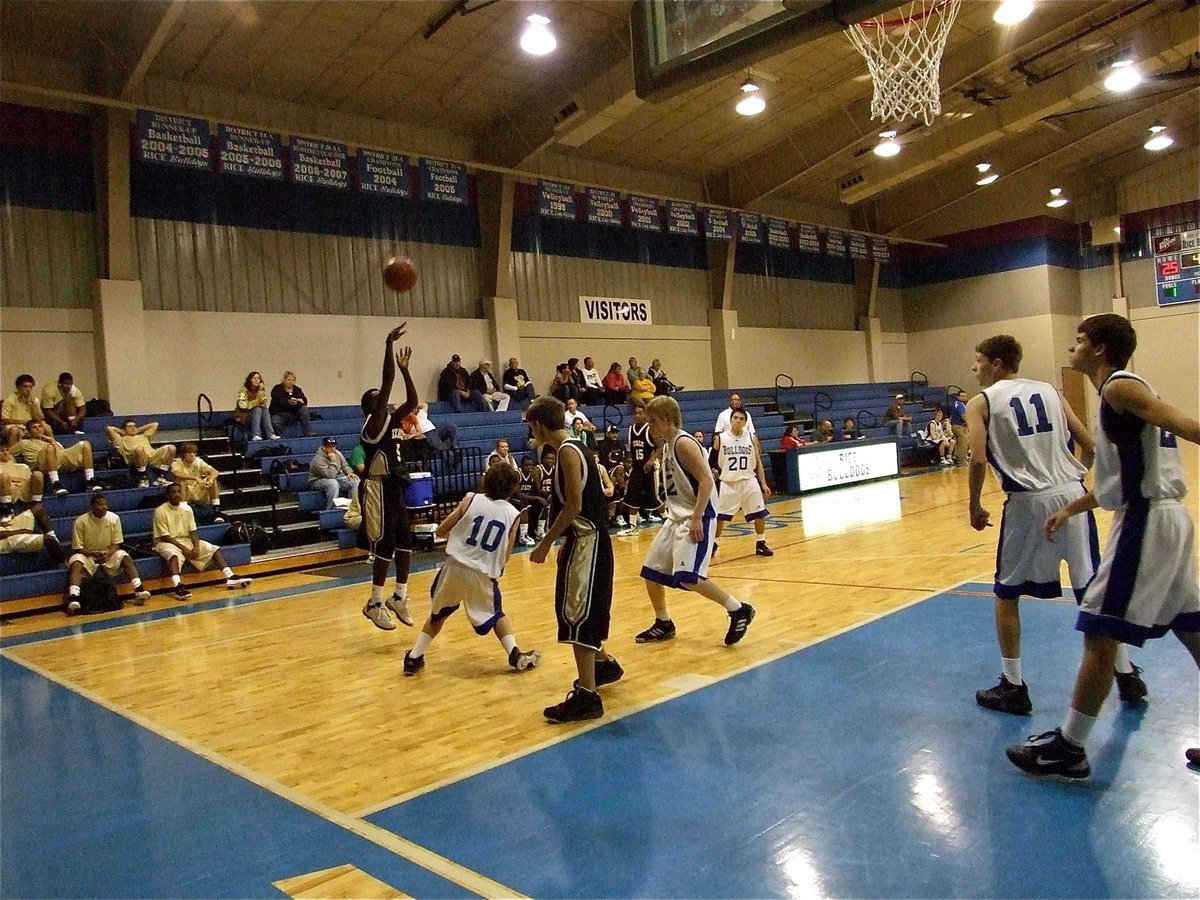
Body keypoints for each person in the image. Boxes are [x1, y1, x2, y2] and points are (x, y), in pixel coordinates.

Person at [1007, 314, 1200, 779]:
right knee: (1193, 628)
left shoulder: (1119, 387)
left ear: (1098, 348)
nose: (1071, 347)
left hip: (1146, 522)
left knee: (1101, 630)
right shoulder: (1123, 391)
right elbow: (1117, 479)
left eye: (1078, 340)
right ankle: (1070, 745)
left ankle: (1069, 747)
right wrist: (1071, 509)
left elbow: (1183, 424)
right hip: (1165, 517)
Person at [966, 333, 1144, 717]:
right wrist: (1075, 477)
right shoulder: (1049, 390)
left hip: (1027, 502)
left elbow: (978, 459)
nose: (974, 367)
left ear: (997, 364)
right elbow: (1090, 444)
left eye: (978, 359)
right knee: (1091, 590)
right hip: (1071, 493)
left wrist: (974, 504)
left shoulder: (980, 402)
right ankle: (1126, 673)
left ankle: (1012, 685)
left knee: (1007, 594)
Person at [526, 397, 622, 723]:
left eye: (530, 426)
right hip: (585, 541)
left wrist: (545, 543)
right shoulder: (576, 447)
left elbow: (575, 506)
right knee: (580, 610)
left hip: (588, 541)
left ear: (539, 424)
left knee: (577, 614)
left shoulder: (567, 450)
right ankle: (603, 665)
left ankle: (588, 697)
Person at [635, 396, 755, 646]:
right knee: (652, 571)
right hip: (676, 516)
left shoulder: (683, 443)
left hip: (697, 515)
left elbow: (707, 480)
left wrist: (698, 516)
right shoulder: (668, 443)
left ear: (668, 419)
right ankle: (663, 622)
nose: (650, 426)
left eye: (653, 421)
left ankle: (737, 609)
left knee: (690, 577)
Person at [403, 463, 540, 676]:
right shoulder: (514, 514)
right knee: (496, 614)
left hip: (454, 567)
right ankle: (514, 653)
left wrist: (463, 541)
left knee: (439, 614)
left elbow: (441, 530)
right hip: (482, 574)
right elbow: (505, 556)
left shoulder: (470, 500)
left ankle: (414, 657)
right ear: (512, 488)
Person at [359, 325, 420, 631]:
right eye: (379, 398)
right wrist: (387, 343)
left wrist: (406, 371)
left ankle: (400, 596)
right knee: (385, 545)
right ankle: (374, 602)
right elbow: (386, 382)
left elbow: (412, 402)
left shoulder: (394, 420)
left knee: (406, 543)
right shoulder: (374, 423)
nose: (385, 399)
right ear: (373, 407)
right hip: (377, 488)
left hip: (395, 485)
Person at [153, 483, 252, 601]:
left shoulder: (187, 509)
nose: (177, 494)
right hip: (165, 542)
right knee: (173, 555)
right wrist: (184, 549)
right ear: (168, 495)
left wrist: (196, 546)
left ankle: (230, 576)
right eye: (173, 492)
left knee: (213, 549)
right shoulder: (160, 511)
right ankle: (178, 586)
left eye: (179, 491)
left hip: (185, 540)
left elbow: (193, 531)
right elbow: (166, 536)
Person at [66, 492, 150, 613]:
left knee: (124, 556)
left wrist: (107, 554)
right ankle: (74, 598)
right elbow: (77, 548)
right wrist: (93, 554)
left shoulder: (114, 518)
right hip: (88, 556)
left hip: (108, 554)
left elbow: (117, 543)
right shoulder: (80, 521)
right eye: (100, 504)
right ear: (92, 506)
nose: (104, 507)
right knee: (76, 561)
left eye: (106, 504)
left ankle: (139, 590)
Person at [713, 409, 773, 558]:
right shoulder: (721, 438)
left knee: (760, 513)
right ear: (730, 419)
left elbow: (758, 461)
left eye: (741, 418)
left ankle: (761, 543)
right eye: (735, 418)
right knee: (720, 517)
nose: (738, 420)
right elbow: (712, 462)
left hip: (749, 480)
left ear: (745, 422)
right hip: (729, 482)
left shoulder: (752, 438)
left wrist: (763, 483)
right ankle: (713, 543)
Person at [13, 420, 100, 495]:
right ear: (29, 431)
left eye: (40, 426)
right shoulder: (24, 443)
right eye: (34, 427)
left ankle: (90, 481)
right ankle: (56, 484)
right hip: (41, 465)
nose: (38, 429)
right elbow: (8, 453)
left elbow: (61, 453)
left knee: (85, 444)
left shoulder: (51, 441)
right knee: (50, 448)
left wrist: (52, 441)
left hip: (59, 461)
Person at [619, 403, 661, 536]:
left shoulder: (650, 429)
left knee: (654, 499)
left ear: (645, 415)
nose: (637, 415)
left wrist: (651, 460)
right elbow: (631, 450)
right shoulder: (631, 430)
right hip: (637, 469)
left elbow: (660, 448)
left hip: (649, 469)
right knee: (632, 497)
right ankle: (632, 527)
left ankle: (667, 519)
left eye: (640, 413)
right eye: (635, 413)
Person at [106, 419, 176, 488]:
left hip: (151, 456)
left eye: (134, 426)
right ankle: (143, 478)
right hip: (135, 459)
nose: (133, 428)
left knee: (171, 448)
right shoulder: (120, 439)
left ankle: (161, 476)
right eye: (129, 426)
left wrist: (138, 430)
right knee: (139, 449)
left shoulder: (144, 436)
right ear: (124, 429)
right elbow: (109, 428)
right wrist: (123, 432)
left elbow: (155, 424)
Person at [170, 443, 224, 520]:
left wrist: (211, 480)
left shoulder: (199, 461)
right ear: (184, 454)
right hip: (186, 491)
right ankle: (183, 510)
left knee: (212, 479)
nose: (192, 455)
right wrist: (195, 478)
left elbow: (215, 471)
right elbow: (176, 473)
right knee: (182, 481)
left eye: (194, 453)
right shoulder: (177, 463)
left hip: (198, 490)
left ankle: (216, 510)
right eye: (189, 453)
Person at [0, 502, 65, 566]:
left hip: (7, 526)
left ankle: (53, 536)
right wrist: (22, 531)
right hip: (7, 540)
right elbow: (3, 534)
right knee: (48, 539)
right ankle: (63, 564)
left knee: (38, 508)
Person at [308, 437, 357, 510]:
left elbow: (345, 466)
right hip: (318, 480)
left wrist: (349, 472)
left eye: (333, 446)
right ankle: (331, 509)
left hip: (336, 477)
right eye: (329, 446)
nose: (332, 449)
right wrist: (333, 460)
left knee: (355, 480)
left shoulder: (338, 453)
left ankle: (352, 507)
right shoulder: (317, 460)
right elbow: (330, 475)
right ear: (323, 447)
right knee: (332, 483)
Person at [3, 374, 47, 446]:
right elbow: (5, 419)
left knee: (47, 427)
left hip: (30, 426)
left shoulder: (35, 400)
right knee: (14, 430)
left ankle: (55, 448)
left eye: (30, 387)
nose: (28, 390)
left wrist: (33, 405)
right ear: (18, 387)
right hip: (15, 425)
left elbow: (39, 419)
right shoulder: (10, 399)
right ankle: (13, 453)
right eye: (25, 386)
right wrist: (23, 422)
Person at [270, 371, 315, 437]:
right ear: (284, 380)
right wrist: (288, 402)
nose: (291, 382)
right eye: (288, 380)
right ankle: (282, 437)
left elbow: (304, 401)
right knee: (274, 421)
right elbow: (278, 401)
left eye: (292, 380)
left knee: (304, 409)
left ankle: (308, 432)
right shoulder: (277, 389)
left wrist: (297, 402)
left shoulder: (297, 390)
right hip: (280, 414)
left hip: (294, 414)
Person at [516, 455, 548, 545]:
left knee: (544, 504)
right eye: (527, 465)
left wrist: (536, 479)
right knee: (525, 505)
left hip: (528, 499)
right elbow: (517, 494)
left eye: (531, 465)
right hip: (516, 499)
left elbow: (538, 491)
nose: (529, 467)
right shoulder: (517, 474)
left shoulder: (533, 475)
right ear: (521, 466)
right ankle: (523, 536)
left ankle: (540, 532)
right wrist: (536, 498)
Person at [237, 371, 277, 441]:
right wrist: (256, 402)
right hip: (245, 416)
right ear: (250, 380)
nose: (256, 380)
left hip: (258, 415)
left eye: (258, 378)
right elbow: (243, 405)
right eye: (254, 378)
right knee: (257, 409)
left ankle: (270, 434)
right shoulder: (243, 390)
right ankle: (256, 434)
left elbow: (263, 403)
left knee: (265, 409)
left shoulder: (260, 390)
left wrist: (261, 391)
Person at [950, 388, 969, 464]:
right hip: (958, 425)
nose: (964, 398)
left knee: (959, 442)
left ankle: (956, 456)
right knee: (963, 443)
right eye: (962, 396)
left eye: (965, 396)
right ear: (958, 397)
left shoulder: (962, 404)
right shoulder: (959, 404)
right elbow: (963, 416)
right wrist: (968, 423)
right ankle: (962, 460)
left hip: (958, 425)